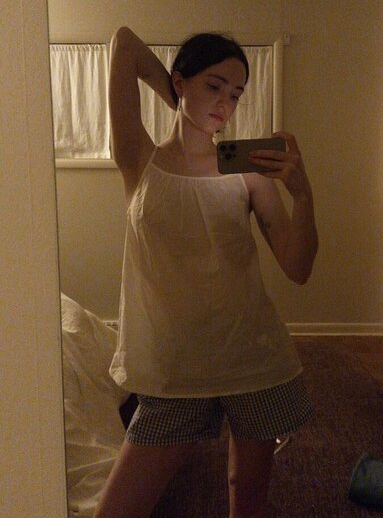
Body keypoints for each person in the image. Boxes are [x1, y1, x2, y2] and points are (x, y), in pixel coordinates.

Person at [94, 27, 318, 518]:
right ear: (180, 81)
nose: (225, 103)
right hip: (173, 369)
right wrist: (175, 97)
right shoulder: (140, 159)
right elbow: (124, 43)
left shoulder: (246, 170)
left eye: (235, 94)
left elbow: (298, 267)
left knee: (247, 493)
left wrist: (302, 194)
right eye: (214, 86)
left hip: (251, 359)